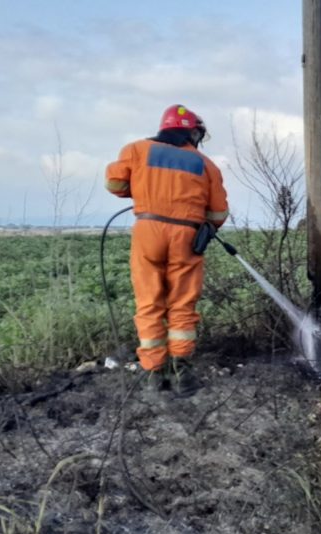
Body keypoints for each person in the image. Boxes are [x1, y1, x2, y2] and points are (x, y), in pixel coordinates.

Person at [105, 105, 228, 395]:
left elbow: (114, 182)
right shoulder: (206, 164)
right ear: (193, 132)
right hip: (186, 236)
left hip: (148, 230)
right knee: (182, 303)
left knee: (149, 302)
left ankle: (153, 373)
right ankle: (181, 368)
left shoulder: (136, 150)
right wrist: (204, 230)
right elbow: (219, 214)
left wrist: (144, 188)